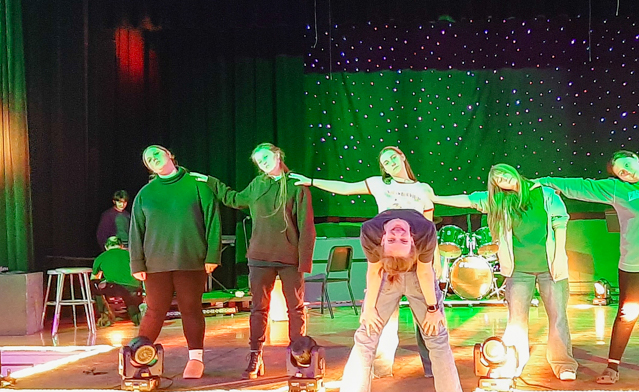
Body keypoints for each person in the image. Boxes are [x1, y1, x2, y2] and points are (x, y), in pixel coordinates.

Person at [538, 150, 639, 384]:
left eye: (625, 165)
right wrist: (545, 182)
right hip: (636, 264)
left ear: (635, 158)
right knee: (626, 315)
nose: (625, 172)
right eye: (620, 172)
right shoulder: (618, 189)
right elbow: (583, 186)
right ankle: (612, 367)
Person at [290, 146, 434, 378]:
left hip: (416, 260)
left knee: (426, 318)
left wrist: (431, 264)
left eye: (392, 158)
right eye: (385, 162)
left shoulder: (423, 189)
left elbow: (429, 228)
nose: (390, 163)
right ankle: (381, 369)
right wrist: (311, 181)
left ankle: (432, 368)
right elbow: (346, 189)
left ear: (402, 156)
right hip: (387, 258)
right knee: (383, 317)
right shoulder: (379, 184)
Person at [432, 164, 578, 381]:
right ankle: (513, 363)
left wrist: (558, 256)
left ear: (514, 171)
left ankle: (563, 364)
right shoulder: (499, 201)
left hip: (550, 267)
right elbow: (468, 200)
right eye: (497, 179)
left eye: (504, 174)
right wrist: (434, 198)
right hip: (519, 270)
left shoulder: (544, 193)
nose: (503, 179)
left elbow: (560, 223)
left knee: (558, 317)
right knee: (516, 320)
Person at [335, 208, 466, 392]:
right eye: (393, 238)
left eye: (402, 239)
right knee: (367, 333)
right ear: (382, 240)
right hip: (388, 275)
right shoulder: (369, 231)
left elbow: (424, 272)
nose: (398, 233)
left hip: (417, 276)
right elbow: (375, 271)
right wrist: (368, 308)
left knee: (436, 337)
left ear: (413, 242)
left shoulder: (425, 230)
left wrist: (433, 310)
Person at [203, 143, 315, 379]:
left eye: (265, 157)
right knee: (258, 308)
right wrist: (210, 181)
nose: (263, 163)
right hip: (260, 256)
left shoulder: (296, 185)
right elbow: (233, 198)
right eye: (258, 161)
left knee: (295, 308)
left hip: (288, 258)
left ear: (277, 154)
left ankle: (298, 354)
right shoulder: (258, 184)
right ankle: (255, 355)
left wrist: (304, 262)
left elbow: (306, 228)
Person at [128, 145, 221, 379]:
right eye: (149, 159)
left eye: (157, 153)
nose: (154, 159)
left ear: (169, 154)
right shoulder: (145, 194)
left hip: (190, 260)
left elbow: (213, 221)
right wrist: (136, 263)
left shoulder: (197, 185)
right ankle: (139, 356)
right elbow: (136, 230)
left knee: (190, 310)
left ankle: (196, 360)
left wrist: (212, 255)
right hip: (155, 264)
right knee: (153, 311)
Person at [91, 235, 143, 326]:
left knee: (95, 286)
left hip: (114, 288)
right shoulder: (130, 254)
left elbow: (94, 278)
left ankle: (105, 316)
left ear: (106, 247)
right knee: (134, 310)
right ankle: (138, 317)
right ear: (122, 246)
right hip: (133, 287)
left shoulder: (101, 257)